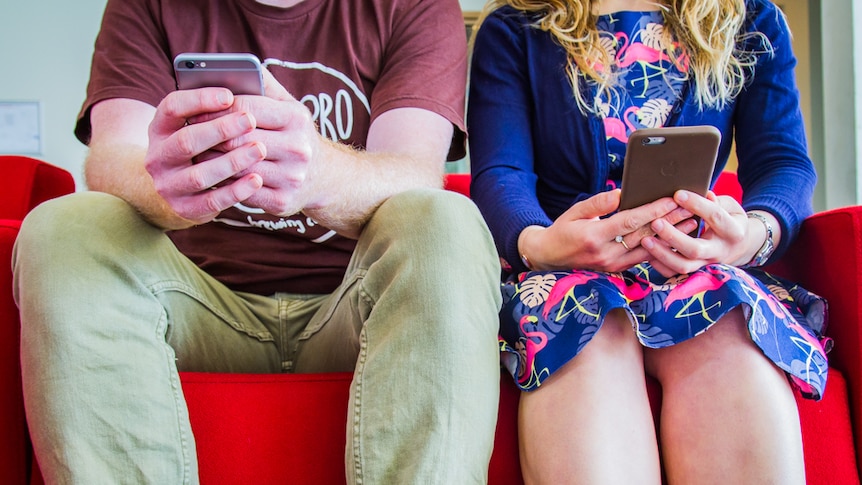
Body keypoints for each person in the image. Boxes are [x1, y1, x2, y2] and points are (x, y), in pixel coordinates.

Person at [13, 0, 504, 483]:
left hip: (356, 308)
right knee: (63, 227)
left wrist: (318, 173)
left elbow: (415, 172)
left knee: (445, 220)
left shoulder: (415, 4)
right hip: (195, 307)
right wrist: (170, 186)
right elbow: (113, 156)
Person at [467, 0, 829, 483]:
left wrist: (750, 238)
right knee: (582, 337)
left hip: (694, 269)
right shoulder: (515, 26)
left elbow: (785, 163)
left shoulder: (750, 19)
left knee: (727, 336)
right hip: (565, 275)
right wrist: (542, 245)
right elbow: (501, 174)